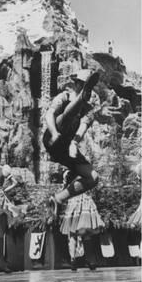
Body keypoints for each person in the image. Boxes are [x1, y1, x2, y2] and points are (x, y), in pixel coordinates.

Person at [43, 69, 100, 212]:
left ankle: (58, 199)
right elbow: (49, 114)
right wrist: (54, 133)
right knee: (67, 117)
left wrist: (74, 143)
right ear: (76, 84)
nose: (82, 86)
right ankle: (79, 100)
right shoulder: (63, 96)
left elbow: (83, 126)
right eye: (81, 84)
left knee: (93, 177)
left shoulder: (89, 109)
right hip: (53, 137)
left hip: (67, 146)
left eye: (86, 87)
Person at [59, 170, 104, 271]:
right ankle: (90, 260)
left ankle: (73, 260)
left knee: (73, 233)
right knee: (85, 232)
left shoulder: (68, 173)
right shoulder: (85, 172)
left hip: (74, 201)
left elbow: (64, 190)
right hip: (84, 201)